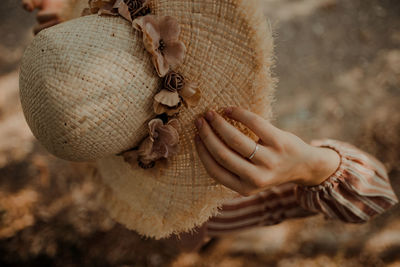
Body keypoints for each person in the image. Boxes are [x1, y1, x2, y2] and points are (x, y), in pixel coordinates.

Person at [22, 0, 398, 242]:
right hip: (219, 204)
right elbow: (377, 196)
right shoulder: (226, 183)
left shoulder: (66, 52)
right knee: (203, 224)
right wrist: (309, 166)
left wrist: (71, 22)